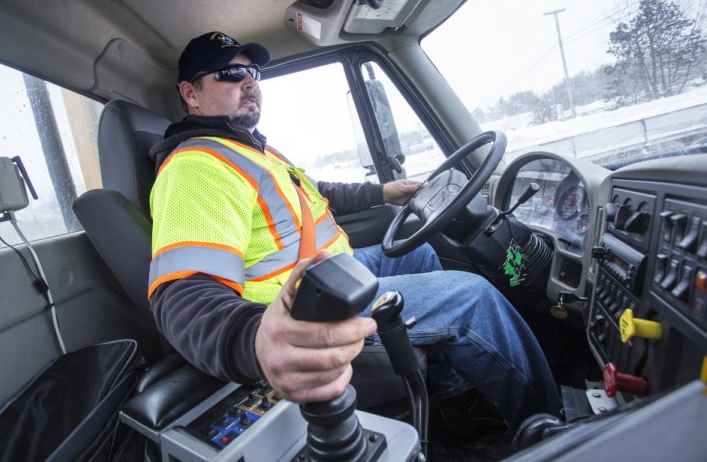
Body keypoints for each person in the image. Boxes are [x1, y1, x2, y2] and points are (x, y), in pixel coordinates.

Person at [148, 31, 561, 432]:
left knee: (421, 252)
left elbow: (314, 193)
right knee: (471, 296)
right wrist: (256, 339)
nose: (250, 82)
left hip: (335, 270)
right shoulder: (195, 169)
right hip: (305, 306)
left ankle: (452, 398)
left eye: (253, 71)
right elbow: (182, 294)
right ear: (190, 93)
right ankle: (549, 428)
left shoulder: (252, 148)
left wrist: (382, 192)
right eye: (230, 74)